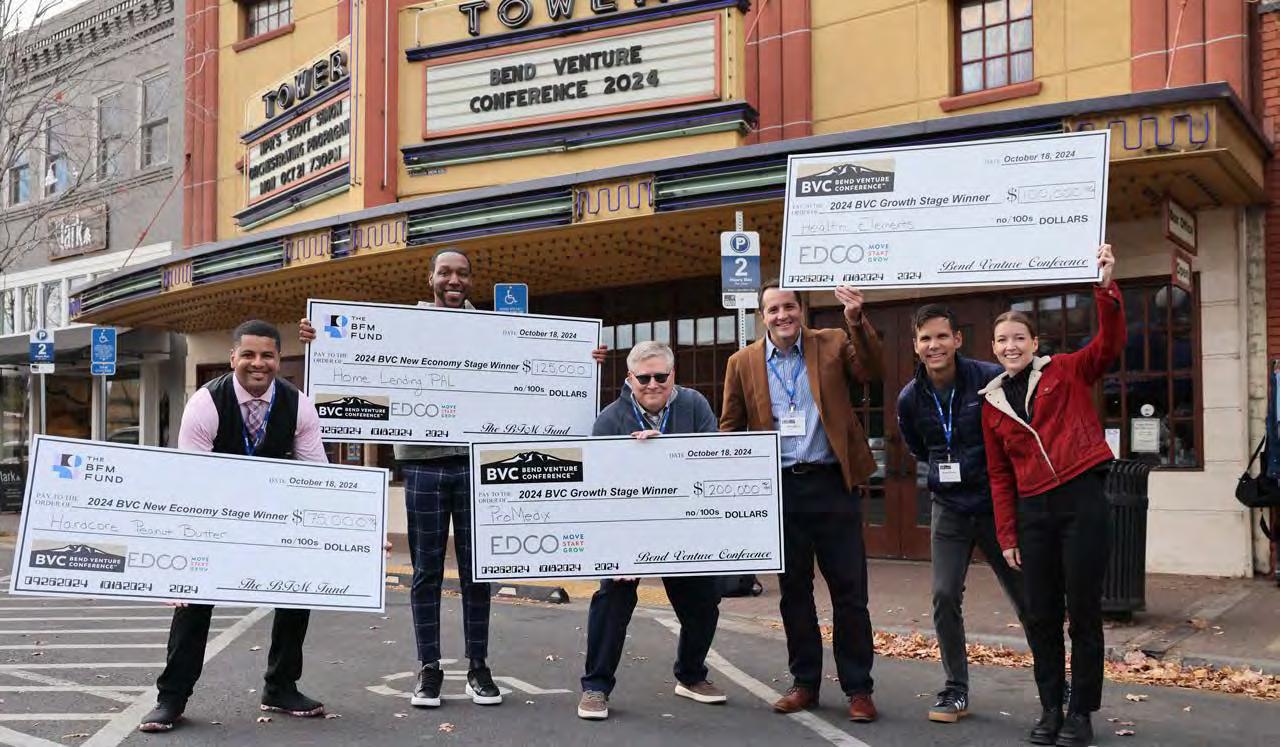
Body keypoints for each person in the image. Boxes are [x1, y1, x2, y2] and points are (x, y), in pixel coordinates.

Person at [299, 248, 605, 708]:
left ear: (471, 281)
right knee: (426, 572)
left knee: (477, 571)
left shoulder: (497, 330)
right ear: (431, 279)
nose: (454, 280)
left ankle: (478, 668)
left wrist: (584, 360)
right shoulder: (403, 326)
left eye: (462, 273)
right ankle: (429, 669)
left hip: (476, 464)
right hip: (422, 463)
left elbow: (538, 373)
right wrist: (318, 339)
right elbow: (354, 357)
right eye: (445, 272)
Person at [139, 320, 330, 732]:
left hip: (274, 518)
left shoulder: (299, 405)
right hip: (214, 517)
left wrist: (357, 536)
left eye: (267, 355)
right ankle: (171, 698)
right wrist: (180, 556)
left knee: (298, 590)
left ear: (278, 359)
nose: (258, 363)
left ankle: (281, 687)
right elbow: (189, 482)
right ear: (233, 358)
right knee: (193, 603)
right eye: (248, 354)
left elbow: (320, 479)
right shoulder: (205, 403)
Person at [979, 244, 1124, 747]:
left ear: (1034, 342)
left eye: (1019, 338)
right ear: (994, 348)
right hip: (1033, 512)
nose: (1011, 346)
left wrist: (1105, 288)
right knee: (1040, 615)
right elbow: (999, 474)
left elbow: (1108, 345)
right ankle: (1050, 709)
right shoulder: (991, 402)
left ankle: (1081, 713)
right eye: (1003, 340)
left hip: (1082, 500)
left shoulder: (1066, 369)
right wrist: (1007, 535)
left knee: (1082, 613)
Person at [720, 280, 883, 722]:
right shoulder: (742, 363)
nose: (782, 315)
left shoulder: (832, 342)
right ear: (762, 316)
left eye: (789, 306)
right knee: (794, 593)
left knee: (850, 592)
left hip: (832, 485)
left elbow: (872, 369)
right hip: (780, 491)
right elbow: (730, 427)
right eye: (773, 309)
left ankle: (858, 689)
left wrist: (855, 319)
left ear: (801, 309)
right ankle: (805, 683)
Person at [576, 341, 725, 720]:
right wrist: (615, 550)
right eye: (644, 378)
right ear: (630, 378)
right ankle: (595, 687)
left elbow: (714, 460)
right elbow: (596, 487)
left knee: (703, 602)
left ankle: (691, 675)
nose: (653, 384)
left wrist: (667, 451)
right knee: (612, 601)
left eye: (661, 376)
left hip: (683, 524)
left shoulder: (695, 405)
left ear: (674, 374)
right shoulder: (610, 419)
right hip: (628, 528)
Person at [896, 304, 1027, 724]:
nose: (933, 345)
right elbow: (919, 447)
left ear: (957, 339)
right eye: (925, 339)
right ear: (915, 346)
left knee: (1027, 595)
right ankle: (956, 689)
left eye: (941, 336)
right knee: (944, 595)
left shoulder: (991, 379)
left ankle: (1053, 681)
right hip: (949, 507)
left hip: (995, 504)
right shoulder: (910, 398)